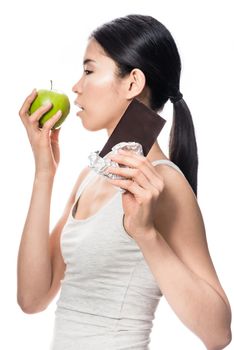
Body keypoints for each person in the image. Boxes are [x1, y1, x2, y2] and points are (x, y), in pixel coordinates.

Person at [17, 14, 232, 350]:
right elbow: (32, 299)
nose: (76, 86)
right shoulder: (89, 178)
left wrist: (146, 234)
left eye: (88, 71)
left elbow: (218, 334)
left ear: (132, 83)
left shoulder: (165, 182)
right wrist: (44, 172)